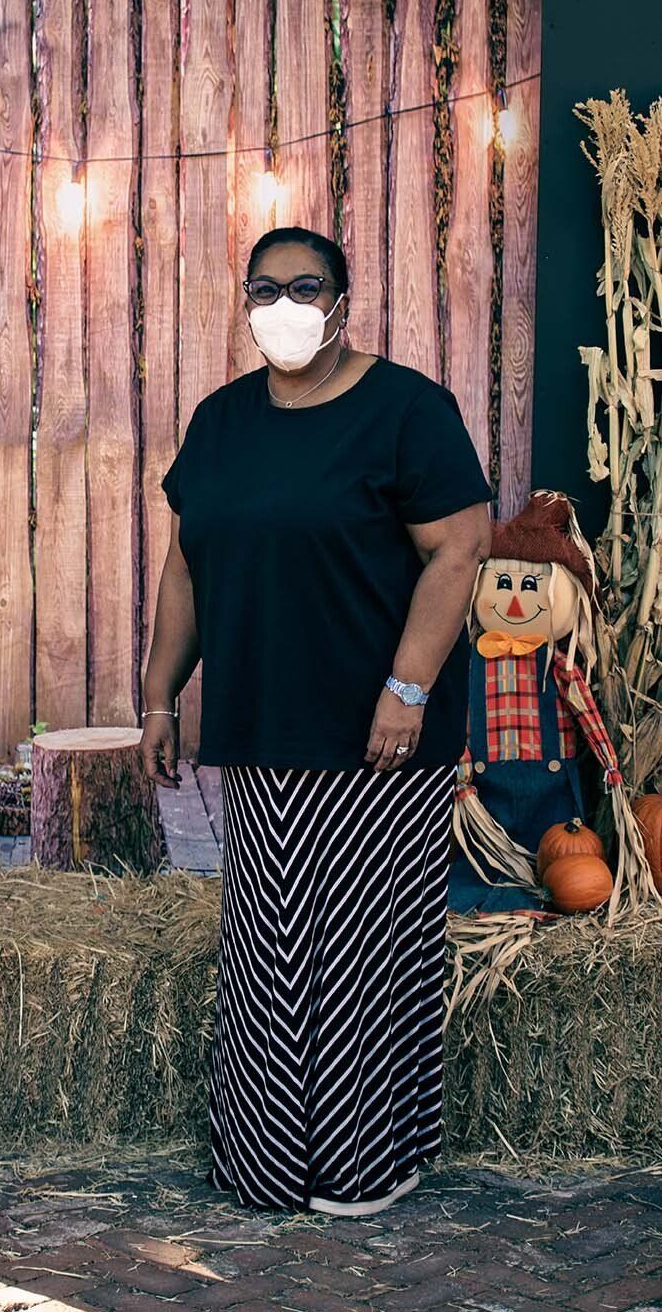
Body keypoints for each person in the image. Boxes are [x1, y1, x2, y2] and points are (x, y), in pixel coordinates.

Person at [142, 225, 493, 1217]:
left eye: (306, 287)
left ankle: (368, 1159)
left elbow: (461, 547)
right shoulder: (221, 420)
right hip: (263, 727)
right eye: (266, 289)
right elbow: (187, 564)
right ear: (245, 303)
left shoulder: (407, 409)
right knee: (269, 955)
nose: (285, 305)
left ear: (341, 302)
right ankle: (268, 1162)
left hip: (379, 737)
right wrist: (160, 693)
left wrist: (408, 689)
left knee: (362, 952)